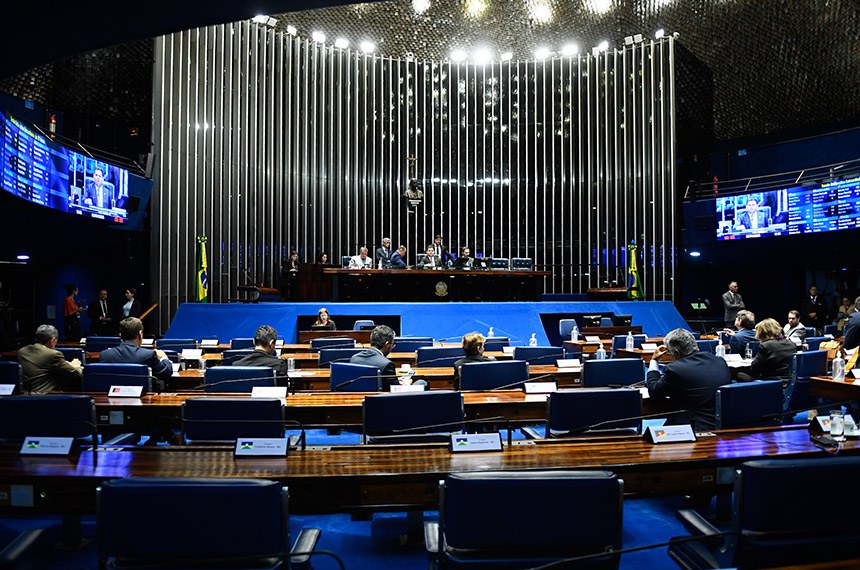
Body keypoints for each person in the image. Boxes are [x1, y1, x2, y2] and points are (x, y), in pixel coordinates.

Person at [646, 328, 731, 431]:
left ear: (676, 352)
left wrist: (654, 360)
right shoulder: (719, 361)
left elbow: (654, 391)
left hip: (694, 430)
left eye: (670, 353)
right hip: (724, 426)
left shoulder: (675, 369)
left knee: (652, 436)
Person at [100, 317, 174, 387]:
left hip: (111, 395)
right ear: (140, 334)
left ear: (121, 335)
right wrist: (163, 357)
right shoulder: (148, 355)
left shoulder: (105, 355)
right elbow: (166, 373)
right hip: (142, 395)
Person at [349, 325, 425, 390]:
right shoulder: (387, 364)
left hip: (357, 398)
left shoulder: (354, 358)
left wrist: (395, 380)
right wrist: (406, 383)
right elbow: (395, 390)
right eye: (392, 344)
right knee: (422, 382)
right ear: (387, 344)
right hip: (382, 400)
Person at [18, 324, 83, 392]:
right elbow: (75, 373)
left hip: (26, 394)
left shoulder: (22, 351)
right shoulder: (53, 354)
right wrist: (76, 366)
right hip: (46, 394)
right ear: (52, 340)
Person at [737, 318, 796, 384]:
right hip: (789, 382)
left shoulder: (766, 345)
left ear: (762, 333)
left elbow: (754, 369)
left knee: (739, 375)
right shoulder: (792, 344)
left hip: (772, 383)